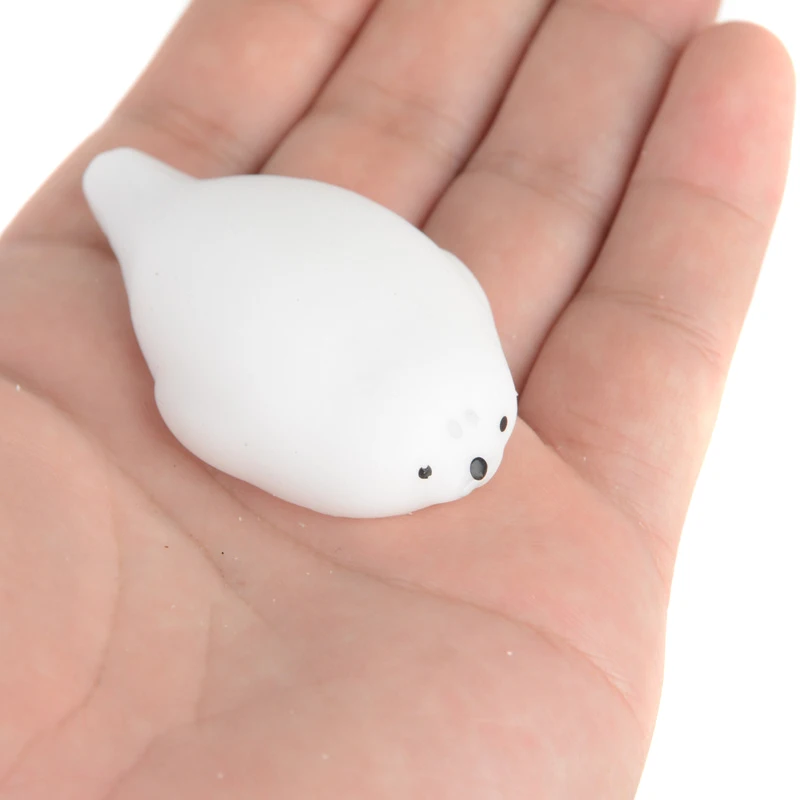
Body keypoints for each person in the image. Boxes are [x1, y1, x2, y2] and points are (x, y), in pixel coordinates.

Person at [0, 0, 794, 796]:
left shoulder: (391, 371)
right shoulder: (270, 348)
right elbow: (197, 413)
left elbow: (198, 410)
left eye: (496, 425)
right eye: (436, 462)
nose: (479, 462)